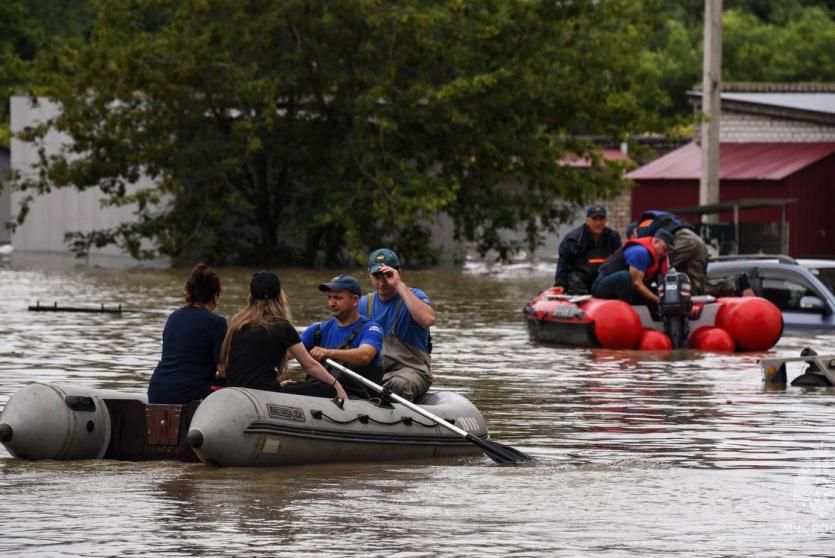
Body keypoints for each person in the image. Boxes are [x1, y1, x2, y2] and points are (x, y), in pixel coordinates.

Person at [220, 271, 348, 401]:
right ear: (280, 297)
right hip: (264, 393)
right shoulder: (281, 326)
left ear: (251, 297)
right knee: (327, 389)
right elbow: (310, 366)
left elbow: (246, 368)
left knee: (292, 384)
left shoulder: (237, 323)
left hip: (235, 390)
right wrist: (336, 385)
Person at [287, 275, 384, 399]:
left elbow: (364, 356)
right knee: (288, 388)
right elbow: (287, 354)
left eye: (337, 298)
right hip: (322, 391)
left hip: (357, 397)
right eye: (329, 297)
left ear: (355, 300)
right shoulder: (317, 330)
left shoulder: (371, 329)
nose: (331, 303)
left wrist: (329, 352)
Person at [359, 248, 435, 402]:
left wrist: (399, 284)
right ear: (369, 274)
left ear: (398, 273)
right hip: (376, 374)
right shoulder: (363, 304)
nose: (381, 282)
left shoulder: (415, 296)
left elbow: (428, 319)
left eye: (387, 275)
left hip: (412, 371)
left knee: (396, 386)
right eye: (376, 276)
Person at [147, 263, 227, 404]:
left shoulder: (173, 317)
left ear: (190, 292)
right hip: (188, 392)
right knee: (234, 388)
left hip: (156, 389)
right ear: (215, 296)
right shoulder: (217, 323)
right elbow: (223, 370)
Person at [634, 210, 710, 294]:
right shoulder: (655, 220)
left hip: (683, 240)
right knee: (693, 282)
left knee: (663, 264)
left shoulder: (644, 225)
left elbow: (646, 247)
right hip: (694, 239)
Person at [592, 229, 673, 306]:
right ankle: (624, 312)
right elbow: (636, 284)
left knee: (653, 292)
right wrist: (658, 300)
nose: (665, 254)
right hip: (602, 286)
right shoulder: (640, 252)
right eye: (664, 249)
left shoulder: (661, 259)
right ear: (656, 242)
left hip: (624, 289)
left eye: (668, 251)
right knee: (625, 276)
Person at [554, 205, 622, 294]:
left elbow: (619, 260)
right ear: (588, 221)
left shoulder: (613, 237)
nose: (598, 223)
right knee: (574, 278)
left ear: (605, 221)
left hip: (602, 279)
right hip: (580, 280)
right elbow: (563, 263)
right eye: (595, 219)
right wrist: (560, 283)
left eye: (601, 219)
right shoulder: (573, 239)